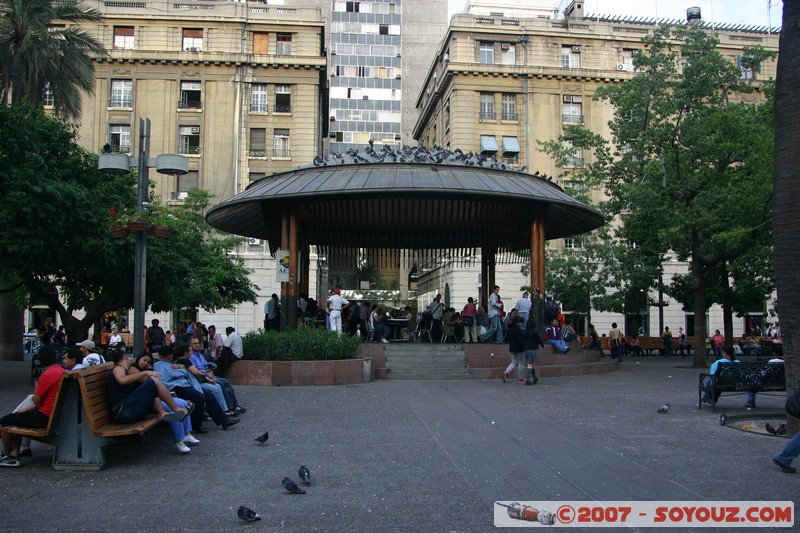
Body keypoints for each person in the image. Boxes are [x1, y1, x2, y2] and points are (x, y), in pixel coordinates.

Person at [0, 347, 65, 467]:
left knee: (4, 422)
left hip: (44, 417)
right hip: (55, 415)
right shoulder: (61, 371)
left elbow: (36, 400)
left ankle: (8, 455)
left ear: (40, 360)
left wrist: (37, 389)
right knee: (19, 417)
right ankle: (15, 454)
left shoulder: (47, 375)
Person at [131, 353, 199, 453]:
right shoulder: (133, 369)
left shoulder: (148, 371)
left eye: (148, 362)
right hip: (148, 401)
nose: (145, 363)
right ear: (139, 358)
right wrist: (149, 372)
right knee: (174, 410)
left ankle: (186, 434)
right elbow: (147, 382)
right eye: (144, 360)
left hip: (158, 397)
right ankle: (179, 441)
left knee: (183, 403)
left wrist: (149, 371)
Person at [162, 344, 239, 431]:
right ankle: (197, 425)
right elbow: (195, 372)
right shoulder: (178, 362)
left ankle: (224, 421)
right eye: (190, 351)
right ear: (185, 353)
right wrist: (208, 379)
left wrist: (181, 367)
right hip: (181, 387)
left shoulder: (175, 363)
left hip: (188, 384)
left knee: (209, 394)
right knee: (205, 394)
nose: (191, 353)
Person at [189, 338, 246, 416]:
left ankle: (235, 406)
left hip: (209, 373)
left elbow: (205, 364)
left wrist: (210, 368)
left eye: (198, 343)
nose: (197, 345)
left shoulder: (200, 355)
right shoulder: (191, 356)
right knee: (220, 384)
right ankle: (228, 408)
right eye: (194, 343)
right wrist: (207, 374)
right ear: (190, 345)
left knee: (226, 382)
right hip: (203, 377)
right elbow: (196, 370)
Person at [503, 315, 526, 383]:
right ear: (518, 322)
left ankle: (507, 372)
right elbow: (520, 339)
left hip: (512, 347)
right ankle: (520, 378)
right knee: (521, 363)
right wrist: (524, 345)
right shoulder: (518, 329)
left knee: (513, 362)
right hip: (519, 348)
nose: (521, 324)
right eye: (521, 322)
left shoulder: (510, 328)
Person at [522, 317, 545, 385]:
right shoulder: (534, 332)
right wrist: (542, 345)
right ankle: (528, 380)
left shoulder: (523, 332)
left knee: (532, 364)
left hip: (526, 349)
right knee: (530, 364)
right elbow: (539, 340)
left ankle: (535, 378)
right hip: (533, 349)